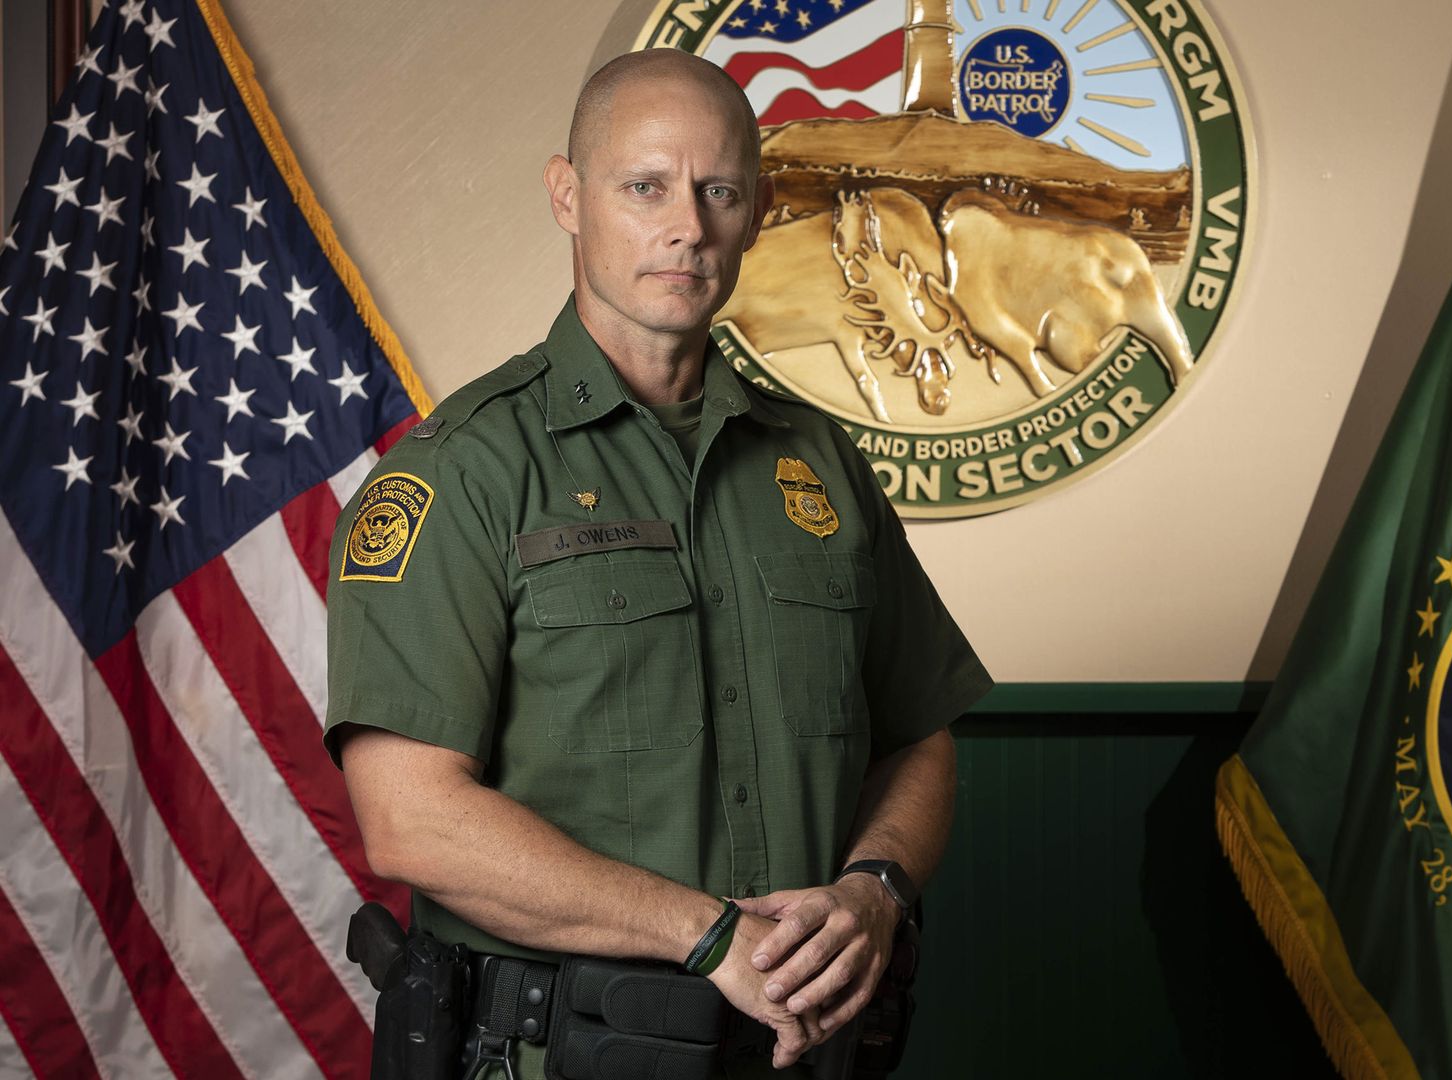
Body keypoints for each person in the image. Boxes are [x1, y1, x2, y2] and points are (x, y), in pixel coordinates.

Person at [323, 48, 992, 1078]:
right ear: (568, 196)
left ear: (757, 212)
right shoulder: (463, 474)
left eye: (718, 190)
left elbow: (920, 738)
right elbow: (410, 820)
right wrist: (704, 933)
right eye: (645, 187)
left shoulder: (821, 464)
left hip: (810, 1058)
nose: (687, 224)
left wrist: (875, 891)